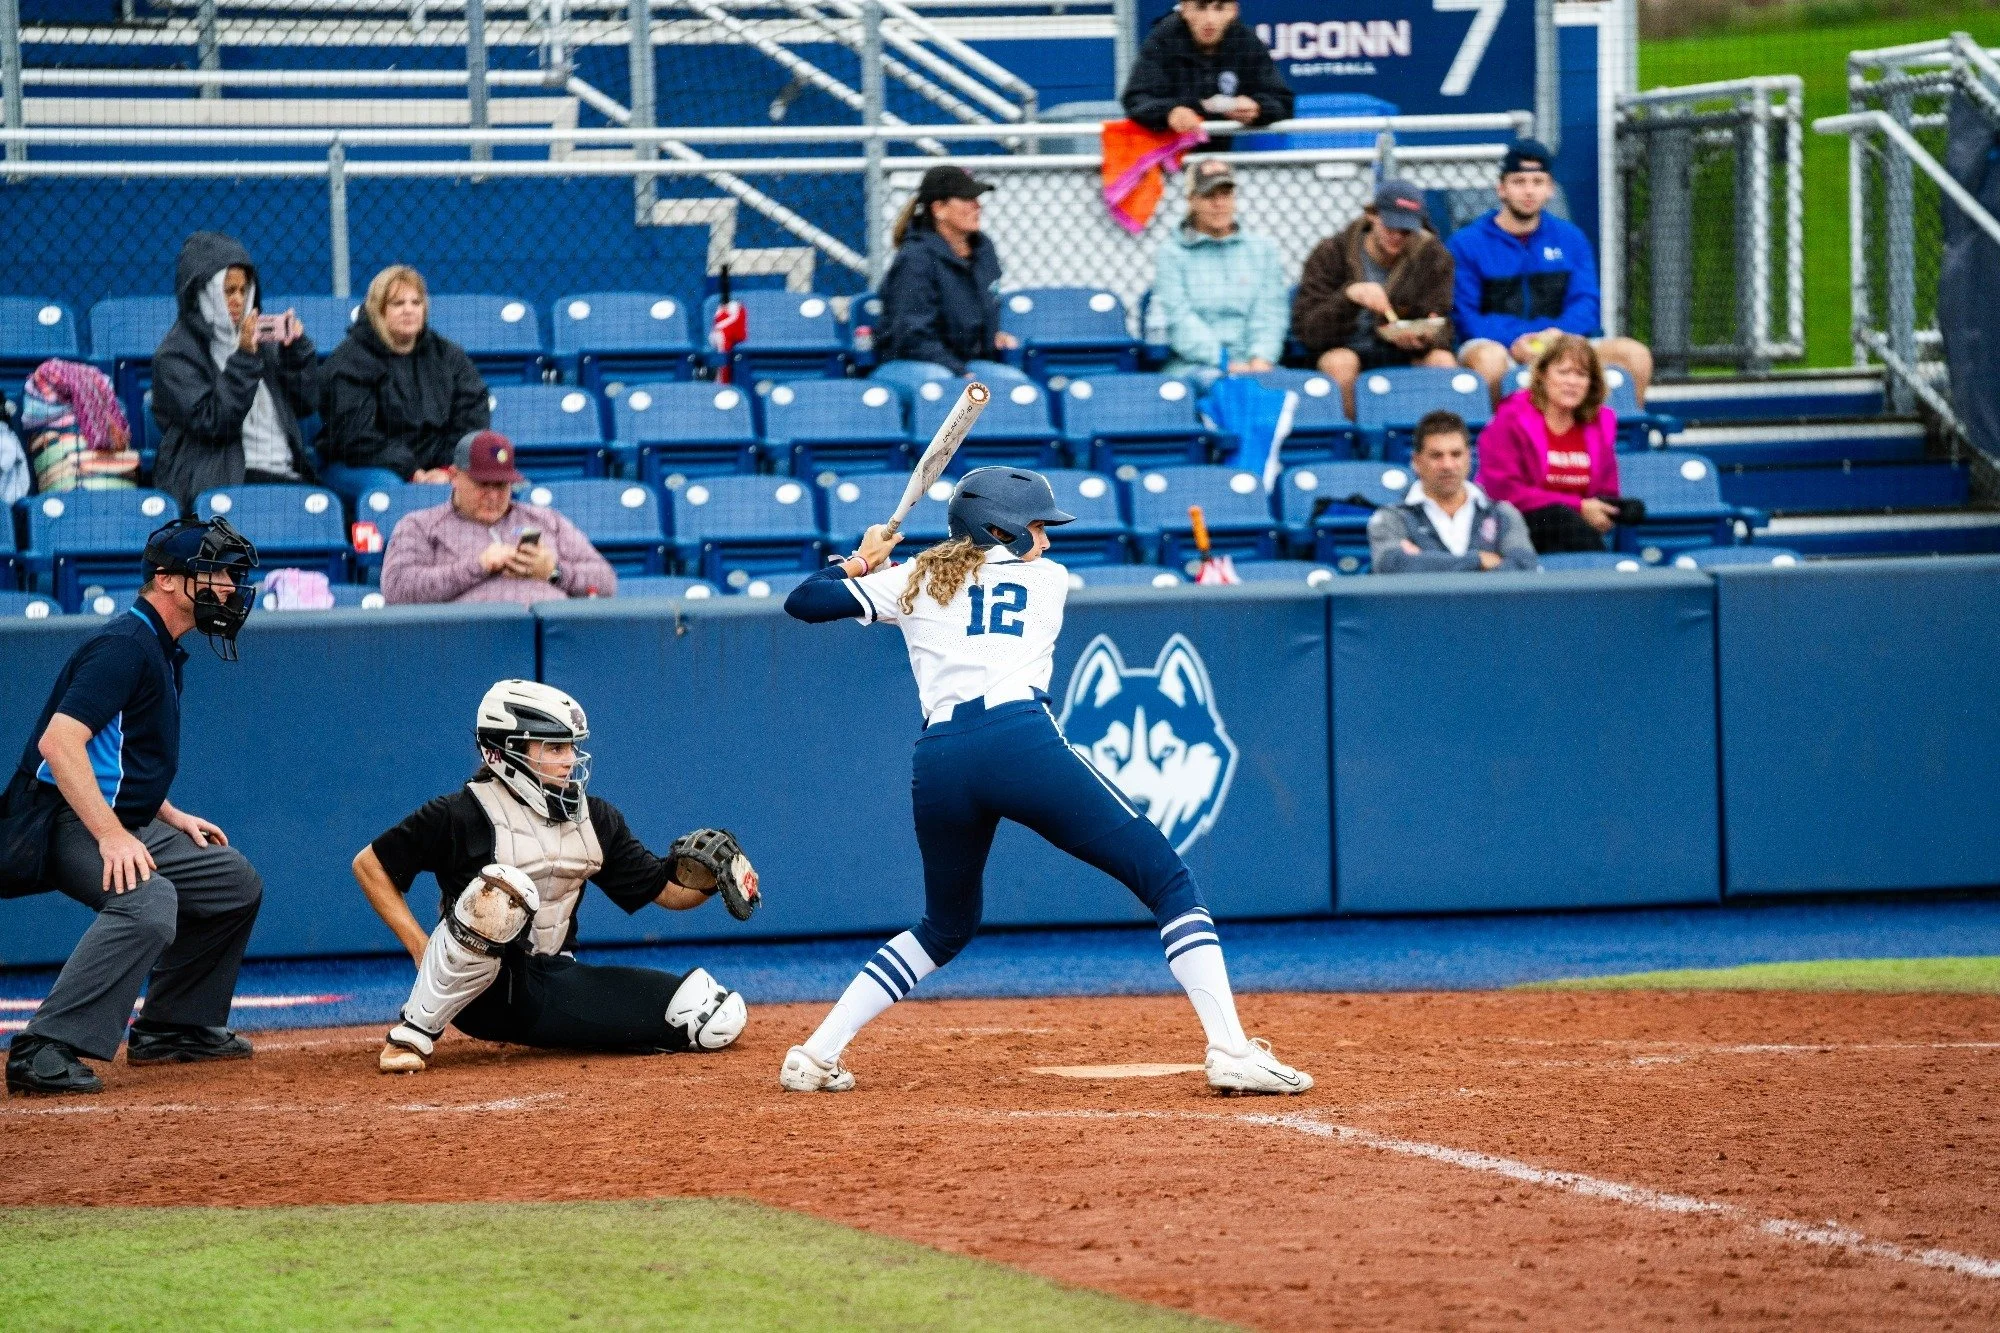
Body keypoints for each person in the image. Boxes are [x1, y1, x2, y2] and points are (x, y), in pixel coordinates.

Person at [776, 466, 1311, 1096]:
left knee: (944, 926)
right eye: (1036, 527)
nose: (1048, 541)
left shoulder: (915, 580)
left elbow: (804, 601)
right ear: (998, 530)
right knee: (1167, 878)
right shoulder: (1045, 580)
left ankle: (816, 1053)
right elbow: (971, 574)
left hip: (941, 758)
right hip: (1018, 742)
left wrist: (861, 563)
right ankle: (1229, 1048)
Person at [355, 680, 756, 1073]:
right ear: (503, 752)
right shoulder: (457, 814)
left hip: (549, 981)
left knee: (709, 1015)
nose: (569, 759)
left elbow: (667, 893)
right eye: (554, 747)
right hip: (476, 994)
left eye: (572, 746)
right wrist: (421, 949)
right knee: (502, 890)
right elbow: (370, 866)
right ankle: (413, 1031)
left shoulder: (596, 818)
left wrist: (707, 878)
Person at [1, 517, 264, 1096]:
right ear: (169, 581)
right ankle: (43, 1046)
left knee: (230, 882)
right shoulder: (124, 645)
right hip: (65, 820)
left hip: (121, 817)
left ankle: (174, 1026)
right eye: (215, 573)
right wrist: (111, 836)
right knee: (148, 902)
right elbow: (59, 743)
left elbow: (116, 754)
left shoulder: (160, 646)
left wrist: (167, 813)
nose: (228, 587)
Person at [1447, 140, 1654, 404]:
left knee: (1633, 354)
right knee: (1487, 359)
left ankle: (1616, 441)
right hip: (1500, 347)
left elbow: (1587, 303)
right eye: (1519, 181)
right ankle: (1502, 442)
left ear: (1550, 189)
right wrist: (1518, 341)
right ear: (1501, 189)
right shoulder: (1466, 243)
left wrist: (1556, 339)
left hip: (1565, 342)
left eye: (1537, 181)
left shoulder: (1571, 238)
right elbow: (1466, 316)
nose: (1529, 191)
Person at [150, 231, 319, 510]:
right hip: (224, 480)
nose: (239, 300)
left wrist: (295, 354)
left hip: (285, 472)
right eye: (228, 291)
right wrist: (245, 357)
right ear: (203, 291)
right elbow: (215, 422)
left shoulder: (259, 342)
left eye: (244, 290)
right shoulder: (173, 357)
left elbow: (306, 404)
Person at [379, 430, 617, 605]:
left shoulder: (546, 520)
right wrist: (478, 566)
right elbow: (398, 591)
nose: (492, 495)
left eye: (502, 485)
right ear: (454, 476)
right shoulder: (420, 525)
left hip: (548, 645)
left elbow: (606, 581)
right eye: (482, 484)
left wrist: (553, 572)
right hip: (469, 645)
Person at [317, 264, 489, 500]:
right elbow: (355, 437)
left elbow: (472, 417)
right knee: (394, 489)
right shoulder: (350, 361)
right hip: (365, 465)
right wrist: (412, 471)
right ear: (379, 310)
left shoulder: (447, 355)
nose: (409, 310)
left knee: (500, 483)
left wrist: (449, 469)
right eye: (398, 303)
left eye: (416, 303)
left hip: (439, 467)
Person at [1292, 179, 1458, 420]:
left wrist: (1424, 336)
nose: (1397, 237)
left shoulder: (1432, 256)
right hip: (1345, 346)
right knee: (1341, 362)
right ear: (1372, 216)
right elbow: (1308, 331)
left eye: (1406, 231)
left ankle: (1434, 442)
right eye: (1390, 227)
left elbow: (1443, 321)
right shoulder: (1332, 253)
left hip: (1402, 353)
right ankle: (1351, 442)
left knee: (1442, 361)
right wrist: (1349, 297)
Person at [872, 165, 1027, 396]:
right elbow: (911, 336)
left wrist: (993, 336)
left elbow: (983, 311)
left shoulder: (983, 250)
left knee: (1015, 384)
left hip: (964, 363)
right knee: (946, 386)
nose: (977, 206)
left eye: (977, 198)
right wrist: (958, 371)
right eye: (966, 199)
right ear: (939, 209)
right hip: (909, 364)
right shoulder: (915, 259)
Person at [1475, 335, 1632, 554]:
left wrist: (1606, 511)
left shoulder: (1599, 425)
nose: (1572, 382)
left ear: (1591, 383)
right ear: (1542, 375)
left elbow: (1608, 489)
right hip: (1517, 523)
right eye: (1563, 372)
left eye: (1581, 374)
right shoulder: (1511, 418)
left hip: (1576, 528)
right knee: (1558, 516)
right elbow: (1503, 491)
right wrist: (1578, 506)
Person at [1154, 159, 1287, 389]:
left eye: (1226, 194)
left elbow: (1271, 312)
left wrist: (1261, 359)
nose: (1219, 203)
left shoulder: (1263, 250)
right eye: (1209, 196)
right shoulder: (1171, 253)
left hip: (1256, 364)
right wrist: (1227, 362)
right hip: (1195, 365)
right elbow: (1179, 319)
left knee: (1296, 391)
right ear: (1191, 200)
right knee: (1219, 387)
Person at [1368, 411, 1538, 574]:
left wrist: (1426, 562)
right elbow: (1392, 565)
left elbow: (1524, 567)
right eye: (1436, 456)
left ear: (1469, 458)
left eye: (1456, 454)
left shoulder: (1502, 513)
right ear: (1416, 461)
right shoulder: (1391, 518)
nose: (1447, 465)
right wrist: (1478, 561)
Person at [1121, 0, 1293, 135]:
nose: (1209, 19)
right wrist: (1169, 113)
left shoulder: (1245, 41)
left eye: (1219, 8)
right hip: (1168, 160)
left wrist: (1258, 108)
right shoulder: (1163, 39)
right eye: (1200, 7)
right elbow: (1136, 98)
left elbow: (1283, 101)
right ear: (1185, 8)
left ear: (1233, 10)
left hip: (1222, 160)